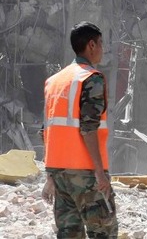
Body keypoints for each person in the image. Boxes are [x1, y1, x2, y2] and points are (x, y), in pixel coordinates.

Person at [42, 21, 117, 239]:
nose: (103, 50)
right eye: (101, 44)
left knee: (69, 233)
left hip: (59, 173)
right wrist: (100, 172)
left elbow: (46, 129)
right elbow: (88, 127)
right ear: (91, 45)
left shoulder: (54, 81)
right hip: (85, 172)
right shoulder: (90, 78)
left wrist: (49, 176)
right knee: (102, 231)